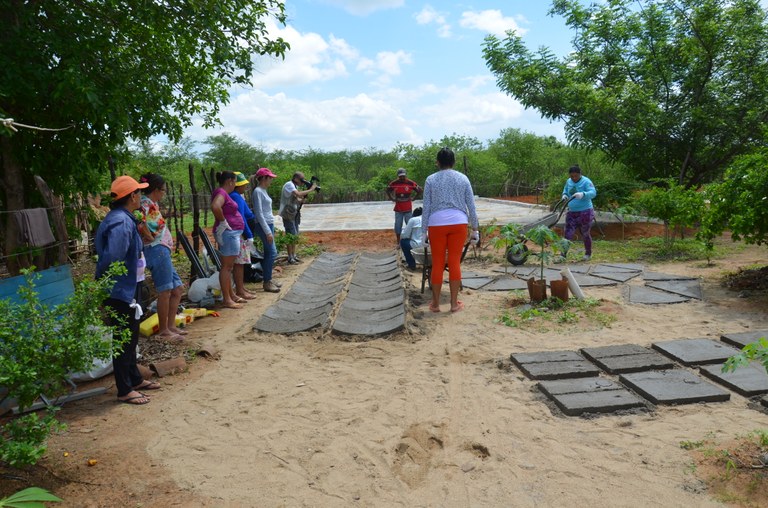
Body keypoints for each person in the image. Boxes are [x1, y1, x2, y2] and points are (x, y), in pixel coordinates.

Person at [95, 175, 161, 405]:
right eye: (139, 193)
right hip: (120, 290)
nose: (141, 196)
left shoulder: (124, 218)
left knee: (131, 337)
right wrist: (107, 285)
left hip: (128, 287)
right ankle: (124, 389)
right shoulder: (121, 223)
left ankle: (134, 379)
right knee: (124, 339)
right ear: (131, 196)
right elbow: (113, 258)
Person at [422, 148, 479, 313]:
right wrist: (475, 229)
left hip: (436, 224)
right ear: (453, 162)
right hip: (459, 223)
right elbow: (471, 206)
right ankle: (454, 304)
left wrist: (423, 231)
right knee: (454, 262)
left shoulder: (430, 180)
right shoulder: (463, 178)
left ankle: (435, 304)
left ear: (437, 162)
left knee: (438, 264)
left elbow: (426, 207)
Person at [138, 173, 187, 342]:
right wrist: (151, 238)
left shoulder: (151, 204)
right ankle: (164, 330)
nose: (164, 193)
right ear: (156, 189)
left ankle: (170, 326)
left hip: (161, 249)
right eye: (163, 190)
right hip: (157, 250)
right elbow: (141, 224)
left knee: (177, 289)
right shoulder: (145, 204)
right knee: (165, 290)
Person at [211, 171, 246, 309]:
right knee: (227, 267)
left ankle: (231, 295)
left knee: (229, 267)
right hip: (228, 233)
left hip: (232, 233)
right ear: (230, 181)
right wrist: (223, 221)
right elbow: (215, 206)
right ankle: (227, 299)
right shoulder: (222, 193)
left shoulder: (223, 193)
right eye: (235, 181)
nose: (235, 184)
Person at [251, 167, 282, 293]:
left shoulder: (263, 190)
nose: (271, 180)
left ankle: (268, 278)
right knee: (272, 252)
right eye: (270, 178)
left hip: (269, 224)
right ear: (263, 178)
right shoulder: (258, 191)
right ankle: (267, 282)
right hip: (263, 225)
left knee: (270, 253)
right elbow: (259, 213)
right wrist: (267, 232)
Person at [229, 172, 258, 300]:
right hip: (241, 233)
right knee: (239, 262)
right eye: (243, 184)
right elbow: (241, 217)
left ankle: (241, 287)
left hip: (240, 231)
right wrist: (248, 234)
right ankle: (240, 290)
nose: (245, 187)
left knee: (240, 262)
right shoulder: (236, 196)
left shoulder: (236, 195)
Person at [561, 164, 597, 261]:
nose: (574, 178)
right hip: (572, 212)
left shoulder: (586, 181)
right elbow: (565, 190)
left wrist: (583, 194)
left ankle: (588, 253)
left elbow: (593, 193)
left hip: (585, 212)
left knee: (585, 233)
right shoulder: (569, 182)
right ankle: (563, 255)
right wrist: (564, 195)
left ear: (580, 174)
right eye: (571, 176)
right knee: (567, 233)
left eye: (576, 176)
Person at [278, 171, 316, 264]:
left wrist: (302, 199)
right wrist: (311, 189)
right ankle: (290, 257)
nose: (303, 181)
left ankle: (293, 256)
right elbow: (298, 194)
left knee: (294, 235)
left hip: (293, 213)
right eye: (301, 179)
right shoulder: (289, 185)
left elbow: (297, 198)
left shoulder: (295, 186)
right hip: (287, 213)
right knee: (291, 235)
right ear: (295, 178)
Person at [386, 168, 422, 244]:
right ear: (398, 176)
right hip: (398, 208)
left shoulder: (410, 183)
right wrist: (392, 198)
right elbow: (387, 190)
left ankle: (411, 239)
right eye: (400, 176)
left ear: (405, 175)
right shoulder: (394, 183)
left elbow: (420, 190)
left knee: (410, 224)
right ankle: (398, 241)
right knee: (398, 225)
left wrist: (414, 198)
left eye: (403, 176)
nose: (402, 178)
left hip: (408, 208)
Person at [399, 207, 423, 271]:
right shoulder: (428, 218)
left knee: (403, 242)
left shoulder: (413, 220)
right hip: (429, 244)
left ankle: (411, 265)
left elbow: (405, 235)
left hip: (417, 244)